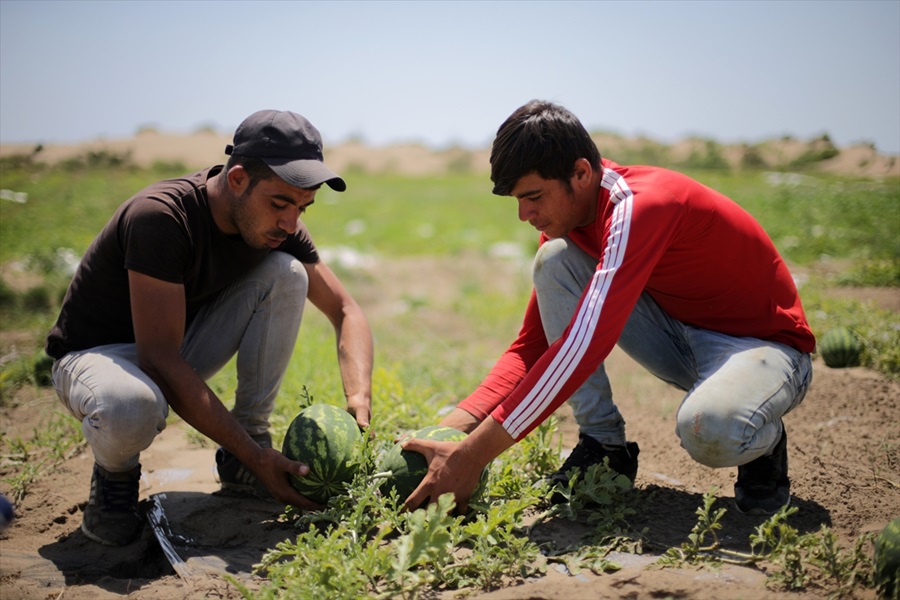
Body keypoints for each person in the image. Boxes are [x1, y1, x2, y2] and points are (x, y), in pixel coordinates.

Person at [403, 100, 814, 517]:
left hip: (763, 350)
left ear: (580, 173)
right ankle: (603, 448)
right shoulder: (571, 224)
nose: (524, 214)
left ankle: (764, 437)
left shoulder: (640, 205)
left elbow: (582, 346)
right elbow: (535, 346)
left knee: (712, 430)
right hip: (681, 338)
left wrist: (471, 457)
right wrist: (447, 430)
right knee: (555, 261)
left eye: (533, 197)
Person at [45, 110, 374, 547]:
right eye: (279, 204)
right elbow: (157, 359)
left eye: (302, 206)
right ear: (237, 178)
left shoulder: (281, 225)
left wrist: (358, 397)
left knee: (288, 272)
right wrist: (258, 459)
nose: (291, 222)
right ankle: (114, 483)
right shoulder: (161, 217)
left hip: (173, 346)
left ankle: (246, 447)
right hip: (97, 358)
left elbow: (346, 310)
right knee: (131, 406)